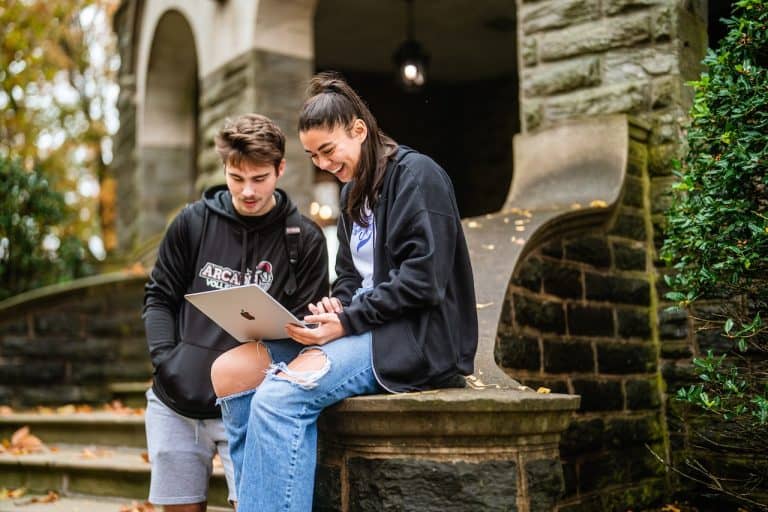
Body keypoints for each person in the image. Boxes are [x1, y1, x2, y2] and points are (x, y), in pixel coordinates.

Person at [211, 72, 478, 511]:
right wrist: (338, 303)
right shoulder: (353, 191)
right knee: (232, 371)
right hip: (363, 325)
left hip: (413, 337)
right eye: (313, 156)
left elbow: (424, 280)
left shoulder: (418, 176)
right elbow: (352, 276)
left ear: (359, 129)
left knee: (278, 397)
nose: (322, 165)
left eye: (328, 151)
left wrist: (347, 320)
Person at [142, 113, 329, 512]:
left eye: (259, 178)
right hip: (175, 404)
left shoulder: (305, 240)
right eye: (236, 177)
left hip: (249, 409)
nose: (247, 191)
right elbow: (159, 296)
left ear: (280, 169)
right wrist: (165, 359)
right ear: (224, 168)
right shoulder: (192, 223)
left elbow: (310, 332)